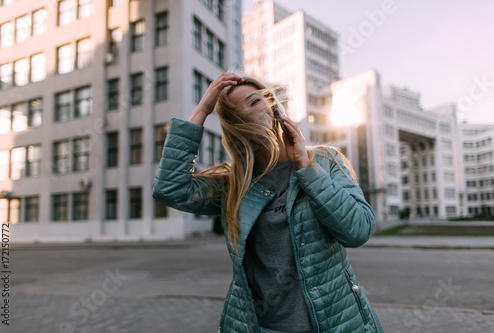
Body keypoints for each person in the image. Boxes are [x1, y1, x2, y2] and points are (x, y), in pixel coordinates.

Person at [152, 73, 384, 333]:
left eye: (254, 102)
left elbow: (358, 230)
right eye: (236, 114)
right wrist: (203, 109)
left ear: (271, 105)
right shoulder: (236, 184)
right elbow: (169, 188)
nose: (249, 114)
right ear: (233, 126)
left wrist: (306, 169)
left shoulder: (324, 161)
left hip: (333, 323)